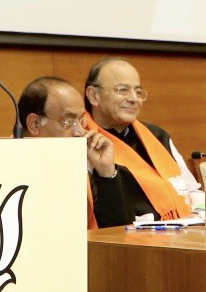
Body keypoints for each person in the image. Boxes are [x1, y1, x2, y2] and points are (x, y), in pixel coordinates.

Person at [82, 58, 201, 221]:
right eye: (122, 90)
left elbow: (191, 191)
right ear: (94, 95)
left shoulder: (157, 136)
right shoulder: (86, 142)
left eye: (138, 92)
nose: (134, 99)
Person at [17, 76, 133, 229]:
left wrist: (106, 172)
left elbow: (118, 234)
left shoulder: (86, 165)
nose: (80, 132)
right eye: (68, 121)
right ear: (35, 124)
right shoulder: (8, 167)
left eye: (81, 121)